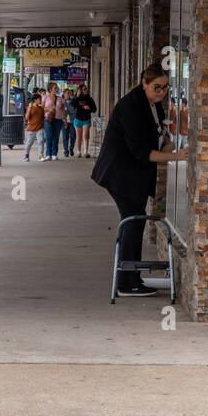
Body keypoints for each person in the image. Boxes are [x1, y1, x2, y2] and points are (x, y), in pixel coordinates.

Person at [92, 62, 182, 296]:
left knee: (133, 222)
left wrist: (167, 144)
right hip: (121, 174)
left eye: (165, 88)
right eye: (157, 87)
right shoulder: (131, 106)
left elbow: (155, 138)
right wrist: (174, 155)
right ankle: (127, 282)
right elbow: (141, 151)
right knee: (132, 222)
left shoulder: (153, 105)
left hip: (133, 174)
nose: (161, 92)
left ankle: (131, 277)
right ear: (144, 84)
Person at [72, 83, 98, 157]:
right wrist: (77, 95)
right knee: (78, 136)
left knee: (85, 136)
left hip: (86, 119)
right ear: (80, 91)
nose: (86, 90)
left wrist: (89, 108)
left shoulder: (89, 99)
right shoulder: (77, 98)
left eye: (86, 89)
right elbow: (72, 104)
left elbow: (94, 109)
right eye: (84, 89)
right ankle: (78, 152)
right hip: (77, 119)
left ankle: (86, 152)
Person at [41, 82, 64, 162]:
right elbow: (41, 108)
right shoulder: (45, 97)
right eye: (55, 88)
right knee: (49, 136)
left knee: (56, 137)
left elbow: (62, 109)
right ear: (50, 89)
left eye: (56, 88)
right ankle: (48, 154)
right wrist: (49, 109)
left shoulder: (60, 98)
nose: (56, 89)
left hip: (58, 119)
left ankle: (54, 154)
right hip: (48, 118)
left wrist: (64, 119)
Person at [23, 92, 45, 161]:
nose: (40, 100)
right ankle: (26, 156)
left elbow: (43, 117)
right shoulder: (30, 107)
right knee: (29, 143)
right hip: (31, 128)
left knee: (40, 141)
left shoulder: (41, 108)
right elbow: (26, 118)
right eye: (39, 99)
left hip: (40, 128)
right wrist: (29, 108)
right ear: (35, 100)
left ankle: (40, 156)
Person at [61, 87, 77, 157]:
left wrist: (68, 105)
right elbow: (60, 111)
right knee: (65, 137)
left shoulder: (73, 101)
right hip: (64, 121)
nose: (69, 94)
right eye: (67, 93)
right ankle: (66, 151)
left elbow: (74, 111)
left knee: (73, 136)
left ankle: (71, 148)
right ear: (64, 94)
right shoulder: (61, 102)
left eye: (70, 93)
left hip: (72, 121)